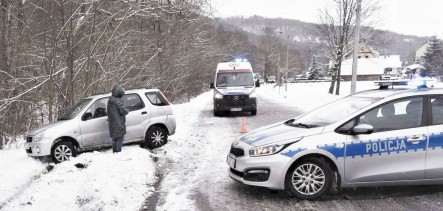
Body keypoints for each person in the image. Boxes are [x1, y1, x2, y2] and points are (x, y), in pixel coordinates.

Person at [107, 85, 129, 153]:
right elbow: (123, 110)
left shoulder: (110, 99)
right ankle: (118, 152)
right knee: (120, 137)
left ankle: (115, 152)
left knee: (115, 138)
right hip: (118, 123)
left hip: (112, 123)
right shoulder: (117, 101)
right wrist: (127, 110)